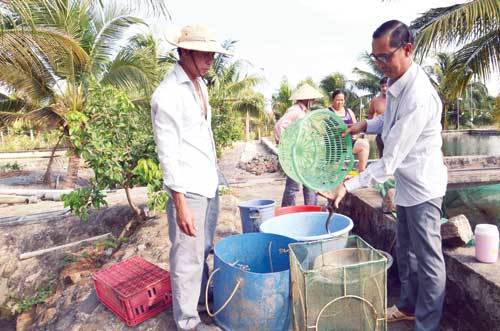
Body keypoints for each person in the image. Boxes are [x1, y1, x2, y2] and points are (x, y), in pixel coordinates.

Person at [322, 20, 447, 331]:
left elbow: (388, 162)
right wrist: (365, 125)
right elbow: (389, 122)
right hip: (406, 186)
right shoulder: (396, 83)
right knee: (406, 251)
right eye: (375, 58)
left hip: (424, 187)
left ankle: (427, 324)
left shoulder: (419, 96)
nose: (380, 65)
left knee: (429, 261)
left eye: (385, 57)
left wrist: (347, 186)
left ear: (407, 49)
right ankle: (407, 306)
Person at [151, 24, 230, 331]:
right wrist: (180, 203)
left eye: (212, 54)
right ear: (183, 52)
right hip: (189, 189)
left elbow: (202, 137)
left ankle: (200, 300)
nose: (210, 59)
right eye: (204, 53)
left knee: (204, 248)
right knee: (187, 256)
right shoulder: (168, 94)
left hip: (208, 183)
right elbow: (168, 154)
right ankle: (187, 322)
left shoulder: (199, 84)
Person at [274, 84, 323, 207]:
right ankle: (287, 211)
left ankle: (312, 209)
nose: (313, 101)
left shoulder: (304, 111)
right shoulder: (295, 110)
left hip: (305, 153)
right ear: (306, 99)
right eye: (311, 99)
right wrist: (287, 145)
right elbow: (279, 126)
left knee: (310, 183)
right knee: (293, 186)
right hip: (296, 153)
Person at [328, 90, 370, 171]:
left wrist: (355, 135)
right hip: (333, 146)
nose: (340, 102)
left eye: (342, 100)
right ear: (332, 100)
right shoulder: (327, 112)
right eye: (337, 100)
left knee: (364, 144)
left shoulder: (349, 112)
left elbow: (356, 127)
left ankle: (362, 171)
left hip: (348, 143)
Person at [368, 77, 389, 157]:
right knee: (382, 158)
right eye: (382, 86)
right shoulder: (375, 100)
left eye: (387, 86)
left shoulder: (396, 99)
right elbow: (370, 113)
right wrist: (373, 125)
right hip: (381, 134)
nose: (384, 88)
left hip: (395, 133)